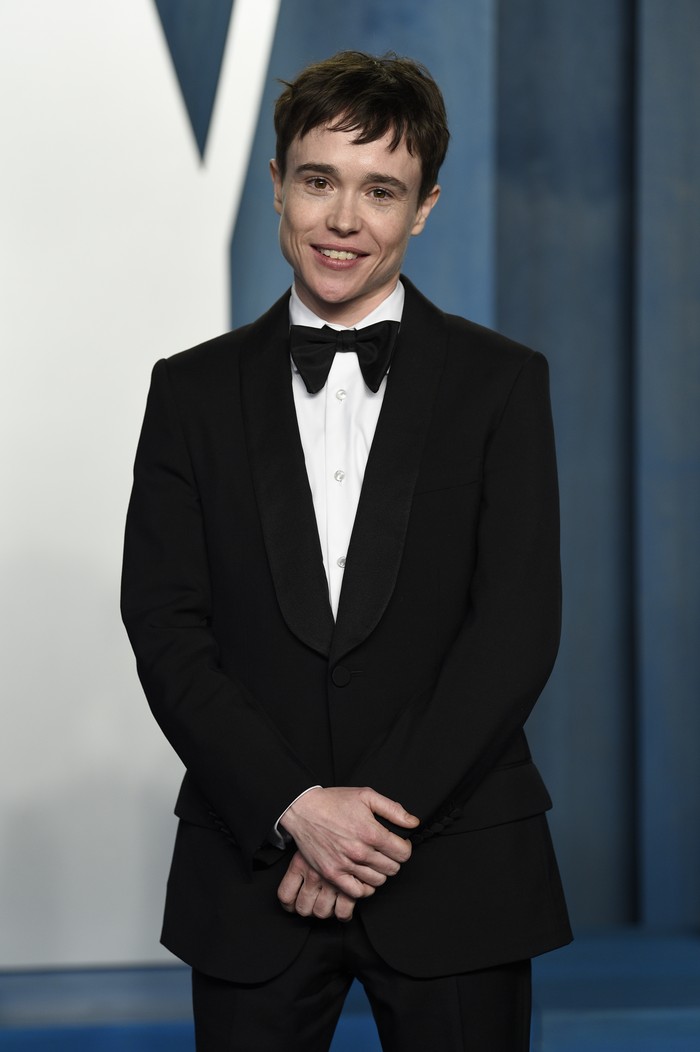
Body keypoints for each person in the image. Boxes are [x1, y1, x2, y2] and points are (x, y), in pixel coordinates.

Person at [121, 50, 571, 1052]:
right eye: (318, 179)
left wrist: (359, 828)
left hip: (457, 864)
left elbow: (514, 626)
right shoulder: (188, 391)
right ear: (276, 183)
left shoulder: (503, 383)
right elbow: (164, 623)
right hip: (250, 874)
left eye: (381, 191)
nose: (341, 218)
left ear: (423, 209)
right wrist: (291, 806)